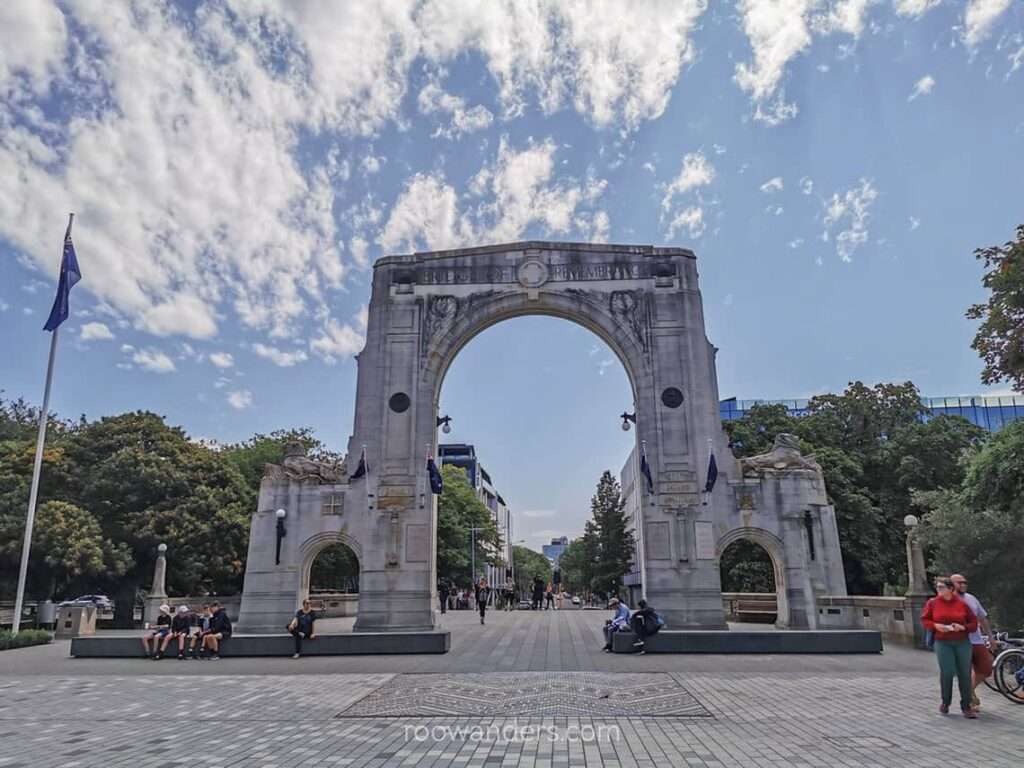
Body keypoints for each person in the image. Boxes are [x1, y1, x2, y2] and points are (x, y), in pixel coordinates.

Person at [921, 577, 978, 718]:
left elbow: (974, 624)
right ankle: (945, 702)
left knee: (964, 673)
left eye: (942, 587)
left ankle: (967, 705)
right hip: (943, 642)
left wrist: (962, 627)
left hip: (962, 642)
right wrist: (935, 625)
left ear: (951, 589)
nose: (938, 590)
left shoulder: (962, 604)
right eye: (937, 587)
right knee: (947, 671)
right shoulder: (932, 603)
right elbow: (925, 619)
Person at [951, 573, 995, 709]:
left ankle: (969, 691)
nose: (963, 585)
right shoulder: (946, 601)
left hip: (976, 640)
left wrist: (990, 637)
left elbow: (982, 618)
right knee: (964, 671)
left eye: (965, 582)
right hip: (959, 642)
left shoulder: (971, 598)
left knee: (986, 668)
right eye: (959, 582)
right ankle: (968, 700)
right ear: (951, 585)